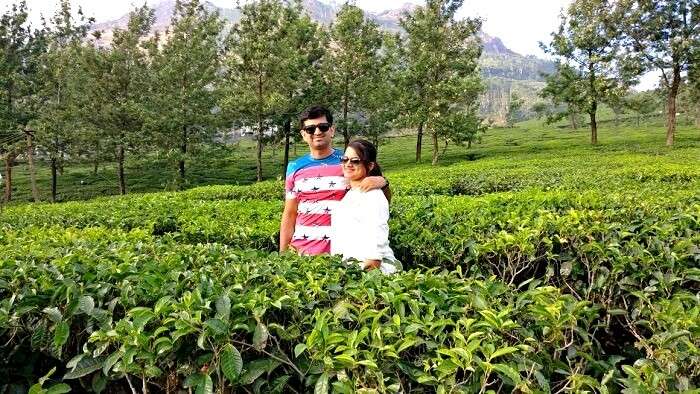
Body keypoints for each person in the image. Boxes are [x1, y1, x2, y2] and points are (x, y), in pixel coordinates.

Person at [280, 106, 388, 256]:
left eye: (323, 127)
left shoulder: (347, 162)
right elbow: (290, 213)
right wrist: (282, 254)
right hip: (300, 252)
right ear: (303, 134)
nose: (317, 132)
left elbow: (376, 199)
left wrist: (383, 181)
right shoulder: (294, 167)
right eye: (310, 129)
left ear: (331, 130)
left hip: (339, 253)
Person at [331, 139, 399, 274]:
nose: (348, 164)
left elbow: (376, 244)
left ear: (370, 165)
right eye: (345, 159)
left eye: (355, 161)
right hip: (351, 270)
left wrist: (367, 277)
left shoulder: (373, 195)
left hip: (369, 275)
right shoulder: (352, 192)